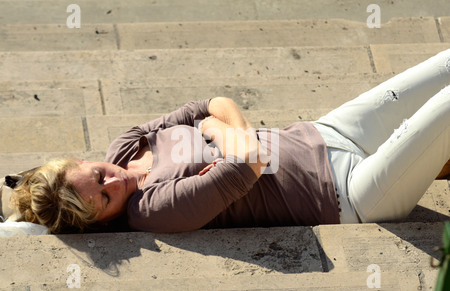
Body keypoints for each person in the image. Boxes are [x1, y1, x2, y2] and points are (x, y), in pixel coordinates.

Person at [6, 49, 450, 234]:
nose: (115, 183)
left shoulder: (124, 146)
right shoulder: (152, 211)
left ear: (82, 161)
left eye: (100, 177)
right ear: (100, 220)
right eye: (104, 199)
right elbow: (250, 162)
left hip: (328, 131)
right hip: (351, 193)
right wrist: (225, 135)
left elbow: (212, 103)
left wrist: (224, 132)